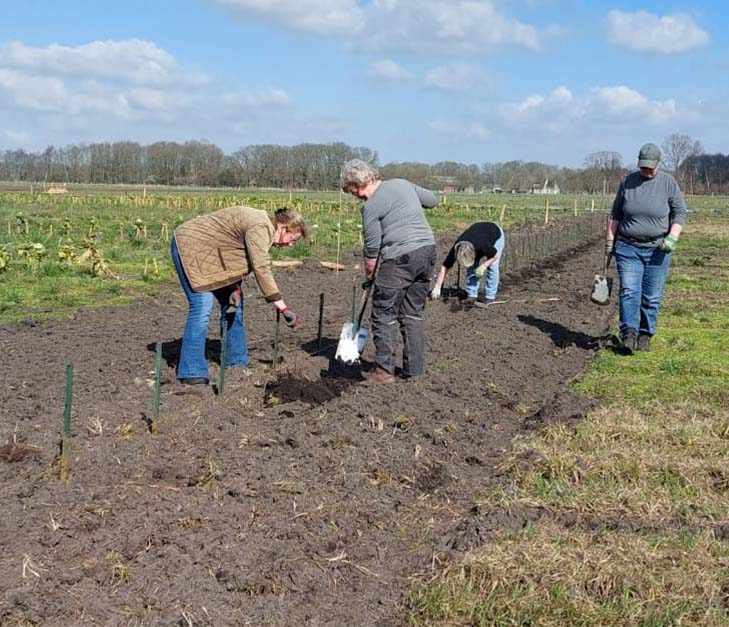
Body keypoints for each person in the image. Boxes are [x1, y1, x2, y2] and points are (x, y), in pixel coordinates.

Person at [171, 206, 308, 385]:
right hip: (190, 249)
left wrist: (234, 285)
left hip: (212, 257)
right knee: (202, 306)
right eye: (292, 239)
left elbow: (233, 251)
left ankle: (235, 360)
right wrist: (281, 306)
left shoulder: (263, 225)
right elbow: (261, 267)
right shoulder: (262, 227)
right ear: (283, 227)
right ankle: (191, 371)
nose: (290, 244)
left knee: (234, 303)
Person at [341, 159, 437, 384]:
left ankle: (383, 370)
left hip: (400, 257)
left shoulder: (371, 206)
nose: (357, 197)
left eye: (353, 192)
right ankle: (414, 369)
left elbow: (372, 249)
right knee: (412, 313)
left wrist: (370, 276)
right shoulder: (402, 183)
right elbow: (433, 200)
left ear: (358, 184)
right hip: (428, 251)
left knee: (383, 313)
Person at [606, 142, 687, 354]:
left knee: (651, 295)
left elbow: (679, 212)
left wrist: (672, 237)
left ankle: (645, 334)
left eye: (651, 167)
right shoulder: (627, 182)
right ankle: (628, 334)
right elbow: (615, 214)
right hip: (628, 246)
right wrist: (609, 240)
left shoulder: (668, 183)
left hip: (658, 248)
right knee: (630, 291)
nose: (647, 171)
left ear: (658, 164)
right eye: (643, 167)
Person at [429, 222, 505, 308]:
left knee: (493, 266)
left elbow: (495, 255)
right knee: (472, 268)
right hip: (476, 235)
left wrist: (484, 266)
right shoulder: (456, 249)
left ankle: (490, 297)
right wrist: (437, 287)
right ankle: (472, 295)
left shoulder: (483, 246)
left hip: (495, 234)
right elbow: (445, 267)